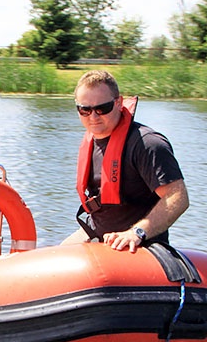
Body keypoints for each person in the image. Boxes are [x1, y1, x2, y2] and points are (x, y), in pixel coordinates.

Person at [63, 70, 189, 252]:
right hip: (100, 236)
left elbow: (178, 197)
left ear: (118, 103)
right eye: (85, 110)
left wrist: (136, 233)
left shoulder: (147, 144)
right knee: (44, 263)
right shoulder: (92, 141)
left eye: (102, 108)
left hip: (138, 247)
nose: (93, 116)